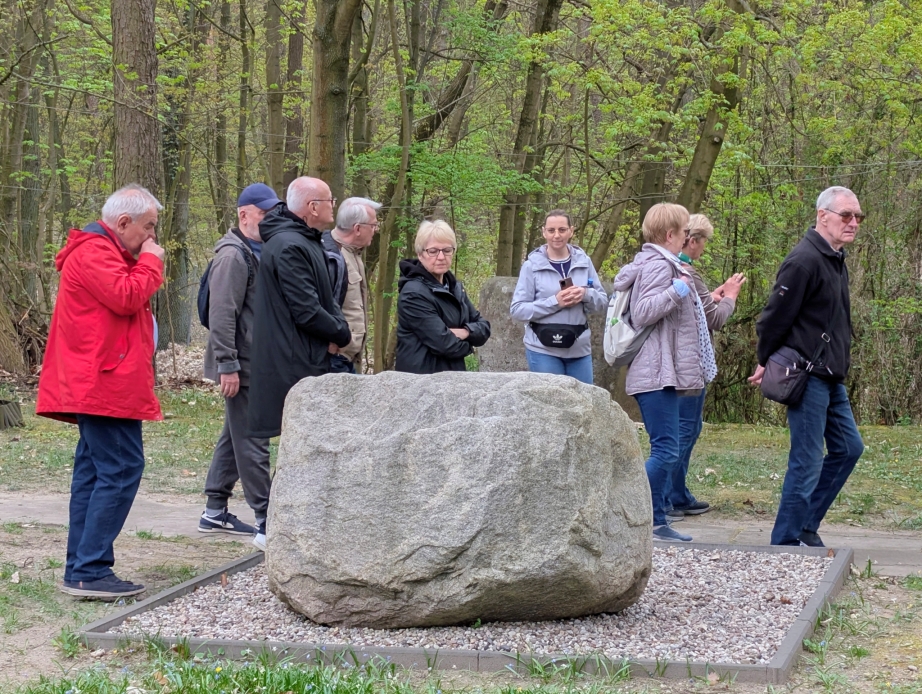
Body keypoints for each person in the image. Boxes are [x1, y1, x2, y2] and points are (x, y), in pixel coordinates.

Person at [37, 184, 165, 599]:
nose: (153, 237)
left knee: (94, 473)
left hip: (102, 380)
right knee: (121, 468)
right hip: (103, 383)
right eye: (149, 227)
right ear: (123, 222)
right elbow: (127, 297)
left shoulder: (102, 252)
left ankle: (82, 567)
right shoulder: (95, 252)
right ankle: (90, 569)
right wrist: (151, 262)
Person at [748, 186, 865, 547]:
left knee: (849, 448)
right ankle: (785, 543)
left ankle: (804, 526)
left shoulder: (835, 258)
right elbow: (773, 319)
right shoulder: (804, 260)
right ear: (822, 216)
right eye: (846, 215)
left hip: (831, 376)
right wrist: (765, 360)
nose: (854, 222)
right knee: (807, 460)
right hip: (807, 374)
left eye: (858, 216)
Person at [247, 177, 352, 547]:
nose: (333, 205)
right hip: (294, 362)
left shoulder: (302, 240)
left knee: (307, 449)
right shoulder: (290, 245)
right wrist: (340, 333)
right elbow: (306, 309)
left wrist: (336, 330)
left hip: (305, 357)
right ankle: (275, 529)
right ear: (312, 207)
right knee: (300, 450)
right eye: (329, 199)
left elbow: (323, 299)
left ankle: (293, 528)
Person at [612, 203, 716, 543]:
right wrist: (678, 289)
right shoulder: (659, 265)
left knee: (666, 449)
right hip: (655, 372)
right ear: (670, 234)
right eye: (684, 232)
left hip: (663, 371)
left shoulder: (663, 263)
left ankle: (655, 524)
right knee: (666, 451)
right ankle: (629, 514)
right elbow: (643, 312)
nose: (687, 238)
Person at [199, 183, 280, 544]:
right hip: (240, 363)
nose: (269, 219)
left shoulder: (259, 250)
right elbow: (222, 315)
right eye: (263, 213)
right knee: (253, 438)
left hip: (254, 360)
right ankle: (266, 518)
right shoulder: (233, 256)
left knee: (235, 435)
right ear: (244, 215)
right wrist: (227, 364)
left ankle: (214, 510)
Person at [665, 214, 746, 521]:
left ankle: (677, 493)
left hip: (681, 362)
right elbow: (714, 319)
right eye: (704, 242)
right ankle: (665, 497)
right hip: (688, 364)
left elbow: (695, 308)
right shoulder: (686, 270)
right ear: (693, 240)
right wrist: (731, 297)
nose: (704, 248)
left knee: (688, 428)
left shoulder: (677, 268)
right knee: (684, 430)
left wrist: (714, 295)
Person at [509, 210, 609, 385]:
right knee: (550, 401)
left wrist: (585, 294)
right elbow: (518, 310)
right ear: (543, 232)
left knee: (584, 401)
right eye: (551, 230)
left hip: (579, 349)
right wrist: (555, 302)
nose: (556, 235)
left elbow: (602, 303)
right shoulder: (531, 266)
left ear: (571, 231)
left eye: (562, 230)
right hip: (543, 348)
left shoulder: (584, 262)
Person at [395, 220, 491, 374]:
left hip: (452, 376)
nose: (441, 257)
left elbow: (484, 327)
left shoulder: (455, 287)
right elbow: (445, 344)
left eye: (447, 250)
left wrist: (465, 332)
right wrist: (470, 345)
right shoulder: (413, 294)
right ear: (420, 254)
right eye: (433, 251)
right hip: (421, 378)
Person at [321, 197, 381, 374]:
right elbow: (317, 306)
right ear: (357, 229)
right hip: (333, 358)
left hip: (347, 358)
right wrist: (330, 340)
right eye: (373, 225)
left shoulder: (353, 252)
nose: (376, 230)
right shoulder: (330, 256)